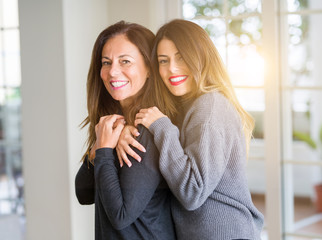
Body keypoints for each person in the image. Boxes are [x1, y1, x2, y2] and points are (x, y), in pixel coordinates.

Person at [120, 19, 264, 240]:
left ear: (200, 56)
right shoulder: (185, 106)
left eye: (181, 57)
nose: (172, 69)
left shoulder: (210, 106)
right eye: (163, 60)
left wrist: (162, 128)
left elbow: (192, 192)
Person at [74, 20, 176, 240]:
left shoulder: (148, 130)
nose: (113, 72)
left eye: (125, 61)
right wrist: (100, 147)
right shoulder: (112, 128)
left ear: (149, 68)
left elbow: (120, 215)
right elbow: (83, 193)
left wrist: (103, 151)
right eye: (106, 62)